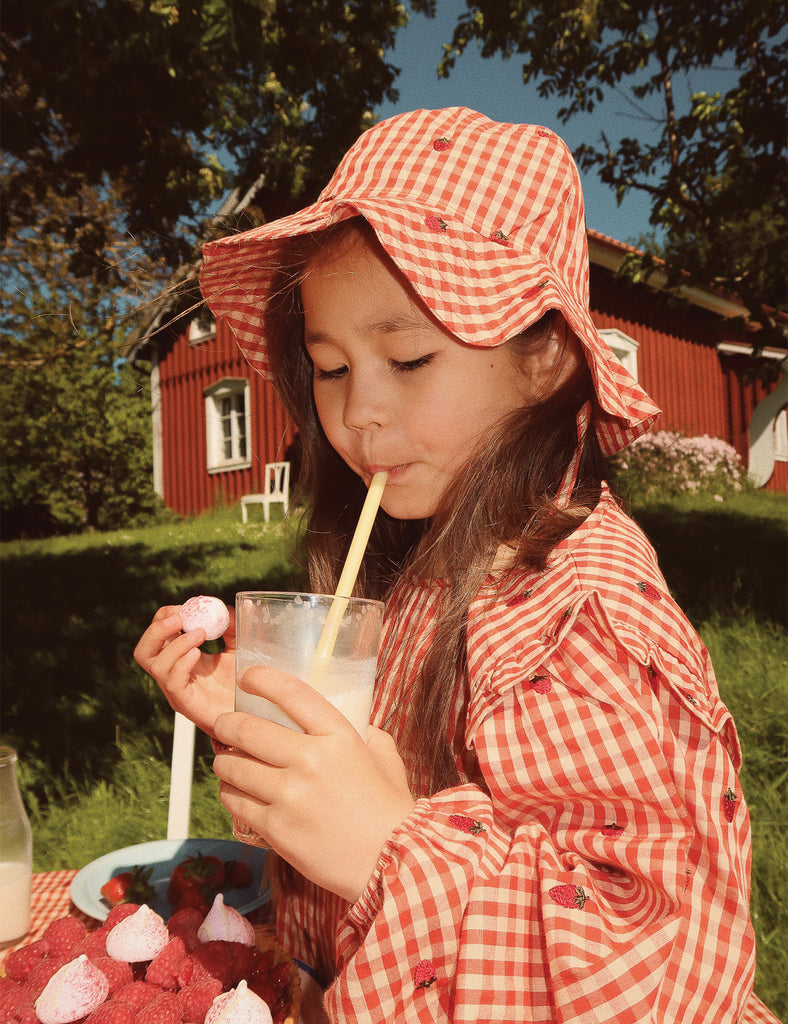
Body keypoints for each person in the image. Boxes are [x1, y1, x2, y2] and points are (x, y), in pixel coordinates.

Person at [134, 107, 768, 1022]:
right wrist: (267, 719)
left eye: (407, 356)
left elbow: (656, 971)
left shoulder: (575, 619)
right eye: (331, 366)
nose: (359, 415)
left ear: (548, 356)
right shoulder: (434, 554)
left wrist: (389, 844)